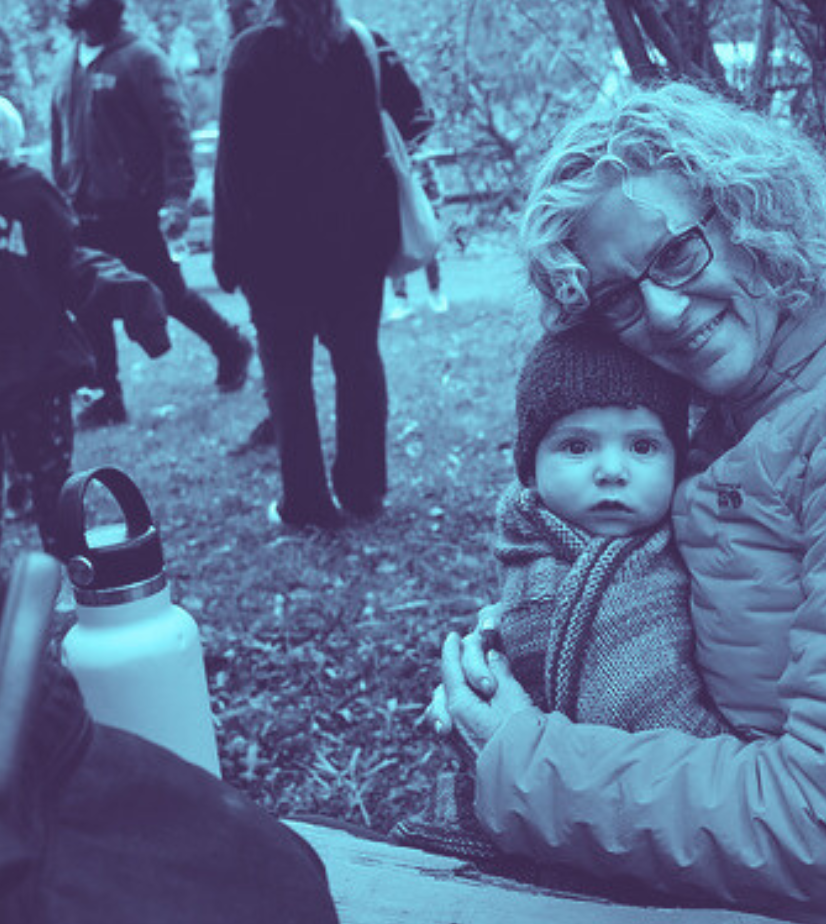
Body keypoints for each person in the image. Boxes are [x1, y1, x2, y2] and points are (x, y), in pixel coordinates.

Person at [430, 83, 826, 924]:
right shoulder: (735, 422)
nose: (660, 310)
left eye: (678, 255)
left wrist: (521, 760)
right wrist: (535, 637)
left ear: (757, 215)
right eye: (618, 297)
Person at [396, 325, 729, 861]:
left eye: (643, 445)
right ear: (530, 466)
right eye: (576, 446)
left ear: (677, 459)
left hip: (676, 802)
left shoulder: (694, 548)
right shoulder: (533, 560)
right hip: (547, 809)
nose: (613, 471)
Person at [213, 0, 430, 528]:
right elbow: (418, 118)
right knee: (358, 360)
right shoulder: (363, 43)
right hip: (355, 240)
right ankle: (363, 492)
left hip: (274, 249)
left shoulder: (250, 54)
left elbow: (231, 164)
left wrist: (227, 254)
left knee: (288, 373)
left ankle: (306, 503)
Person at [50, 0, 254, 429]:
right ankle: (108, 396)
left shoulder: (143, 59)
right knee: (89, 301)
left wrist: (177, 199)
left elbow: (175, 133)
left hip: (135, 208)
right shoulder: (65, 63)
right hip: (80, 206)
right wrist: (58, 196)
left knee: (168, 293)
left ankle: (231, 346)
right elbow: (58, 135)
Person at [0, 96, 93, 557]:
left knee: (32, 467)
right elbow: (67, 259)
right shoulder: (32, 189)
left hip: (23, 357)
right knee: (52, 471)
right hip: (38, 357)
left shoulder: (31, 190)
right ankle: (69, 565)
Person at [387, 158, 447, 320]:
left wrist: (431, 210)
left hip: (423, 213)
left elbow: (436, 191)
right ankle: (402, 302)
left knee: (430, 251)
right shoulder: (390, 154)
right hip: (396, 212)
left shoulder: (422, 158)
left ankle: (435, 294)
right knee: (394, 253)